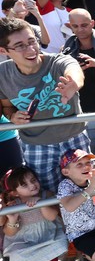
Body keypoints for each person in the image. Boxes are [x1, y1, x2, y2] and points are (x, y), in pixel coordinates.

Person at [0, 18, 89, 195]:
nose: (31, 49)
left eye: (32, 41)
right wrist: (12, 117)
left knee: (85, 190)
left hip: (74, 137)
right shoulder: (3, 74)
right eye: (20, 45)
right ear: (4, 51)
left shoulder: (56, 61)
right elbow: (6, 107)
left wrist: (73, 84)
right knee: (48, 196)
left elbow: (73, 69)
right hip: (36, 145)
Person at [64, 9, 95, 174]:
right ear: (70, 27)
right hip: (85, 109)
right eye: (75, 26)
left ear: (92, 23)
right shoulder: (66, 49)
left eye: (84, 25)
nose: (80, 29)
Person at [1, 166, 68, 261]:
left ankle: (45, 258)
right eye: (24, 185)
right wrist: (12, 220)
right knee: (17, 256)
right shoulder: (14, 205)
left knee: (61, 242)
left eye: (33, 180)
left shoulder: (47, 195)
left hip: (48, 236)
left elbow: (51, 217)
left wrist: (40, 203)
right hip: (24, 241)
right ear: (15, 193)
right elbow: (9, 233)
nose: (32, 185)